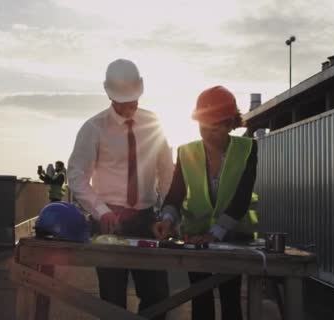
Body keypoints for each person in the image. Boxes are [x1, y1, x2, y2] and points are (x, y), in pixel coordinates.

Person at [68, 59, 173, 319]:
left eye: (134, 99)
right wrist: (100, 211)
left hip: (147, 219)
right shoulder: (94, 128)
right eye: (125, 101)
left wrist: (168, 214)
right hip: (108, 221)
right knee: (112, 300)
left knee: (157, 295)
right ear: (109, 95)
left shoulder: (153, 123)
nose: (131, 105)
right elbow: (77, 175)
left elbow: (167, 172)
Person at [153, 85, 258, 320]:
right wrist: (167, 220)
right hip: (195, 236)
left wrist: (216, 233)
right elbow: (175, 195)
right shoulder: (186, 151)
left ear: (231, 123)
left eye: (215, 127)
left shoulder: (247, 149)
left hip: (233, 235)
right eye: (203, 126)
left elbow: (242, 197)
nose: (208, 133)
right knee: (200, 298)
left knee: (230, 298)